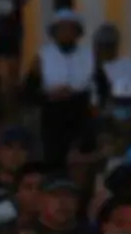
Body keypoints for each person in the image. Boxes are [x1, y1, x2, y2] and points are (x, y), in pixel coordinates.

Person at [35, 10, 94, 169]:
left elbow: (99, 85)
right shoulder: (43, 55)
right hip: (53, 111)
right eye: (61, 29)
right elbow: (30, 90)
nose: (66, 33)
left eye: (70, 29)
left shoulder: (89, 55)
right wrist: (49, 95)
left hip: (80, 110)